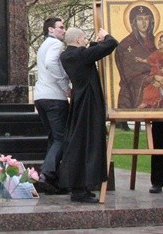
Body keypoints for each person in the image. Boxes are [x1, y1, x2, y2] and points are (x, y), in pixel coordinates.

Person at [59, 27, 118, 203]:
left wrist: (94, 42)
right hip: (88, 103)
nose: (86, 41)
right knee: (87, 142)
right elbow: (112, 44)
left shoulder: (67, 55)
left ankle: (81, 186)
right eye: (84, 39)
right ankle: (80, 189)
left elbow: (91, 50)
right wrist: (106, 35)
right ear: (78, 41)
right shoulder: (81, 55)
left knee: (80, 142)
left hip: (79, 100)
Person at [33, 17, 70, 194]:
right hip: (54, 97)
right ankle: (46, 174)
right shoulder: (56, 45)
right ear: (51, 30)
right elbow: (51, 63)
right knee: (61, 138)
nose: (64, 30)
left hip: (40, 96)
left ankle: (52, 179)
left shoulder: (43, 46)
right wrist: (65, 85)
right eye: (61, 27)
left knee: (53, 138)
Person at [115, 5, 163, 109]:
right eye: (140, 19)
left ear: (151, 21)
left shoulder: (158, 43)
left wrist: (162, 75)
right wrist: (151, 78)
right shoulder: (125, 45)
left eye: (147, 19)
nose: (144, 23)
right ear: (134, 22)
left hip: (158, 80)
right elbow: (128, 73)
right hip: (135, 86)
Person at [138, 34, 163, 108]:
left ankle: (151, 102)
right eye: (160, 40)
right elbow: (149, 60)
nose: (160, 43)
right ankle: (147, 102)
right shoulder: (156, 53)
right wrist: (141, 60)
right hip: (155, 74)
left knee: (155, 88)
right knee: (148, 88)